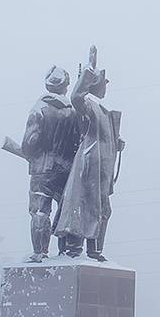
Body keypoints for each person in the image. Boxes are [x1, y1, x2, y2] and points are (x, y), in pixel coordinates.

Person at [55, 46, 123, 261]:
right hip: (89, 165)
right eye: (104, 81)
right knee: (82, 205)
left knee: (103, 208)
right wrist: (89, 70)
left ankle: (95, 250)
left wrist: (116, 142)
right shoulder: (87, 105)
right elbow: (76, 96)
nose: (107, 85)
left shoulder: (103, 110)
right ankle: (74, 248)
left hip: (102, 167)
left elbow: (104, 136)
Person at [16, 66, 79, 261]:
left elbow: (29, 143)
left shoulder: (39, 109)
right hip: (67, 171)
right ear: (65, 87)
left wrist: (30, 154)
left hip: (42, 170)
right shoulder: (74, 112)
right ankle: (67, 252)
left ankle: (40, 252)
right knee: (66, 212)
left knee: (40, 211)